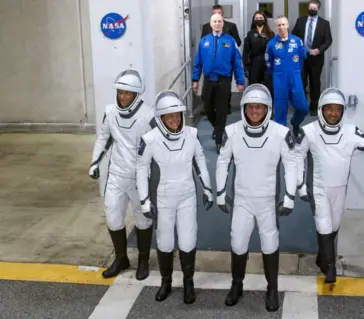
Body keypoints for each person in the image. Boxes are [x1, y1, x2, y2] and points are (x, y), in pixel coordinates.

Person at [295, 87, 364, 284]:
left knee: (334, 225)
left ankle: (322, 258)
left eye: (337, 109)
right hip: (318, 188)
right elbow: (296, 158)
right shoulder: (308, 131)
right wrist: (300, 185)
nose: (333, 113)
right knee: (323, 222)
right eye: (329, 109)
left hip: (340, 188)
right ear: (322, 109)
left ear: (342, 111)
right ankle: (330, 268)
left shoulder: (350, 131)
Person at [216, 84, 297, 312]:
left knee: (270, 243)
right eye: (251, 107)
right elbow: (223, 161)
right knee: (238, 242)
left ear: (267, 109)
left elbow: (291, 164)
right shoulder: (232, 132)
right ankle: (236, 285)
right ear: (244, 108)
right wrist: (220, 192)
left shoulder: (280, 133)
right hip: (242, 199)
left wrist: (289, 195)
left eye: (259, 107)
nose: (254, 111)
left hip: (267, 201)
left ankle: (272, 288)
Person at [136, 90, 214, 304]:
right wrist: (145, 200)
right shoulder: (149, 139)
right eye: (169, 116)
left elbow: (200, 161)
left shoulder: (191, 134)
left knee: (188, 240)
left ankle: (189, 283)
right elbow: (142, 170)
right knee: (165, 241)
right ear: (160, 118)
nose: (174, 120)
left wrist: (207, 189)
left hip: (187, 196)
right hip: (163, 198)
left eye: (177, 115)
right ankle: (166, 282)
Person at [88, 69, 154, 281]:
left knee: (143, 220)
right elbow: (103, 138)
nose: (122, 96)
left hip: (140, 178)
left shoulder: (149, 115)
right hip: (116, 175)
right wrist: (95, 162)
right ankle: (121, 258)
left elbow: (157, 147)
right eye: (120, 92)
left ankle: (143, 261)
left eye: (127, 93)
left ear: (136, 94)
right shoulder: (111, 112)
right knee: (113, 218)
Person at [192, 13, 245, 154]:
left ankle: (219, 139)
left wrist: (240, 81)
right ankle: (217, 128)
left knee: (222, 111)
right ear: (211, 24)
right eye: (214, 21)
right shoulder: (204, 41)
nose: (217, 24)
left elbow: (237, 63)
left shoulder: (230, 41)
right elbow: (198, 62)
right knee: (208, 107)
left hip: (224, 81)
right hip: (208, 81)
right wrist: (195, 80)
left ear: (223, 23)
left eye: (219, 21)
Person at [265, 16, 309, 137]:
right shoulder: (271, 44)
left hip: (295, 78)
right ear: (276, 27)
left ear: (288, 25)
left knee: (303, 108)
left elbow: (302, 59)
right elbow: (269, 63)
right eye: (279, 25)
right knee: (280, 111)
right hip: (279, 79)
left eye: (283, 24)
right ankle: (282, 137)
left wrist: (295, 72)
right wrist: (278, 73)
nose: (281, 27)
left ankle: (295, 123)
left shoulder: (297, 41)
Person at [292, 0, 333, 116]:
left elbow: (328, 40)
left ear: (318, 10)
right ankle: (302, 106)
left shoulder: (324, 23)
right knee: (301, 82)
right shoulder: (300, 21)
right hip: (301, 57)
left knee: (315, 83)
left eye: (314, 9)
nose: (312, 10)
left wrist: (319, 50)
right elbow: (293, 36)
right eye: (311, 8)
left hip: (316, 58)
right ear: (307, 8)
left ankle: (314, 107)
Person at [201, 4, 242, 115]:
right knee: (208, 91)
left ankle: (225, 107)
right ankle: (210, 108)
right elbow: (202, 45)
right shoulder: (206, 27)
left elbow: (238, 41)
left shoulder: (231, 26)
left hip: (226, 63)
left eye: (219, 14)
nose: (217, 17)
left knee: (225, 89)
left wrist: (226, 46)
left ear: (222, 15)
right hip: (210, 66)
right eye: (214, 14)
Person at [243, 11, 275, 95]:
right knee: (254, 88)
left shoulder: (271, 34)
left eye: (261, 18)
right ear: (254, 20)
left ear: (265, 19)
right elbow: (246, 52)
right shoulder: (250, 34)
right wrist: (246, 67)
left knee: (269, 88)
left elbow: (274, 51)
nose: (259, 20)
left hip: (268, 63)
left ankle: (269, 106)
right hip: (255, 63)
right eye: (256, 18)